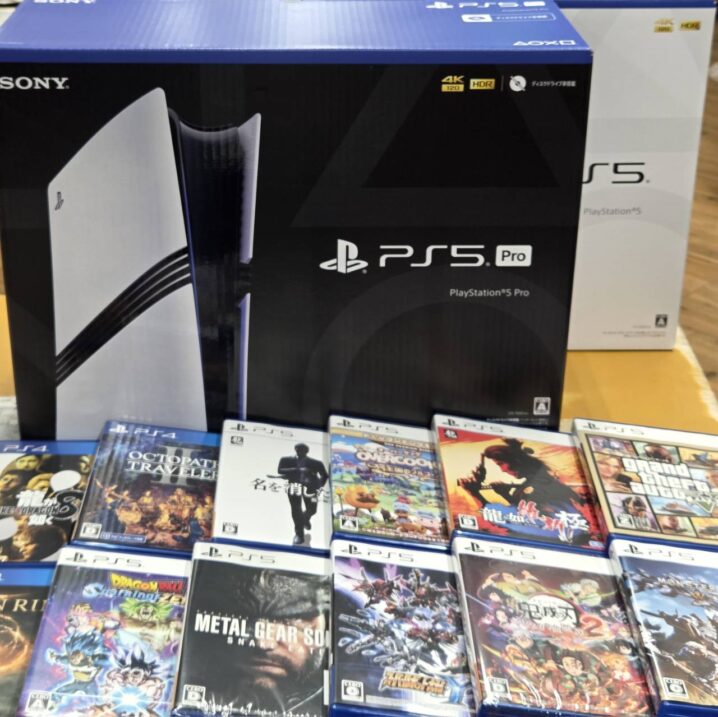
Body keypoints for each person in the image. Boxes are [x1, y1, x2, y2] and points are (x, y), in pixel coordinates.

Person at [277, 444, 328, 545]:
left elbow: (324, 476)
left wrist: (318, 486)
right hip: (294, 487)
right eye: (299, 450)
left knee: (312, 509)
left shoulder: (316, 462)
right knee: (296, 510)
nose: (300, 452)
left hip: (310, 488)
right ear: (295, 450)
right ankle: (299, 534)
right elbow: (280, 470)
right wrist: (297, 469)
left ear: (307, 451)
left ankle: (305, 519)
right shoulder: (286, 459)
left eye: (303, 450)